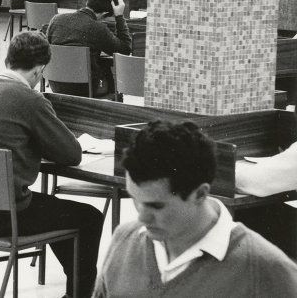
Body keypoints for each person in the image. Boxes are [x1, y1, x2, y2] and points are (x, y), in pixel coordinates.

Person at [0, 31, 103, 298]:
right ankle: (80, 295)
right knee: (89, 216)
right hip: (6, 217)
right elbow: (72, 155)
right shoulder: (30, 99)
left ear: (8, 60)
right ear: (39, 71)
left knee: (55, 210)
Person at [94, 120, 297, 297]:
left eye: (156, 205)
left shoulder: (264, 269)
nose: (142, 217)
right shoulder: (124, 240)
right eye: (134, 199)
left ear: (200, 194)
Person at [44, 0, 132, 97]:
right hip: (85, 88)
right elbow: (125, 50)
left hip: (55, 84)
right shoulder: (97, 28)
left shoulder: (56, 19)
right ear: (104, 13)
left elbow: (46, 50)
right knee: (108, 72)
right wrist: (119, 16)